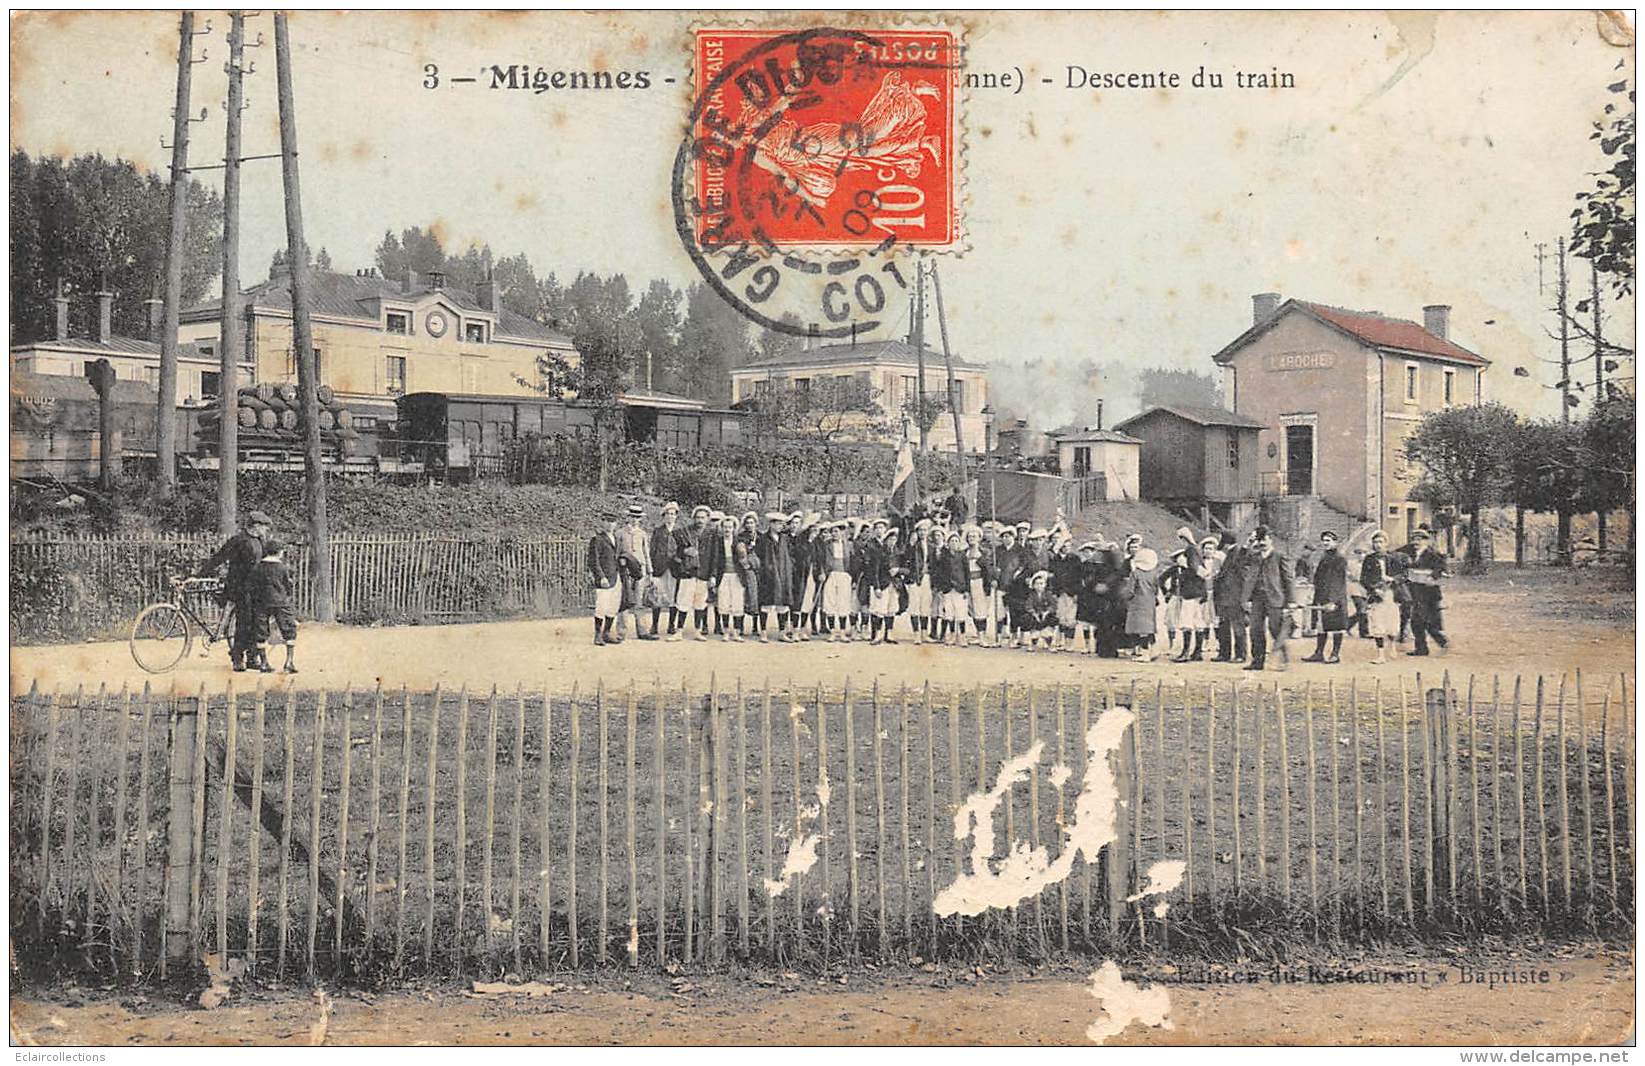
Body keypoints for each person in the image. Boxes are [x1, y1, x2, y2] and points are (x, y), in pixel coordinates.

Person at [197, 509, 273, 671]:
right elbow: (219, 557)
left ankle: (252, 657)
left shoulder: (260, 542)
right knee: (244, 624)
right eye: (264, 526)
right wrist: (199, 575)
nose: (266, 529)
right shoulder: (238, 541)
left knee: (256, 623)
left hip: (256, 590)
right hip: (240, 589)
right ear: (255, 526)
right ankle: (237, 657)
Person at [1242, 525, 1296, 671]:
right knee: (1255, 630)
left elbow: (1288, 579)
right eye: (1260, 540)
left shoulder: (1279, 556)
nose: (1262, 543)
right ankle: (1257, 661)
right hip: (1257, 599)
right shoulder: (1254, 556)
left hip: (1275, 599)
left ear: (1271, 540)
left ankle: (1283, 659)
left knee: (1276, 630)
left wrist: (1291, 601)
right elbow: (1241, 560)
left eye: (1265, 539)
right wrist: (1249, 543)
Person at [248, 534, 298, 674]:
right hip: (280, 602)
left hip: (261, 603)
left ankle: (264, 663)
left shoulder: (258, 567)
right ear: (279, 552)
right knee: (289, 629)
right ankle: (289, 662)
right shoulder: (283, 568)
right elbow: (288, 587)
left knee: (261, 631)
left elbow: (252, 585)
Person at [1302, 529, 1349, 663]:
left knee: (1336, 627)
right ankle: (1319, 653)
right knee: (1321, 625)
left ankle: (1335, 654)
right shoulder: (1324, 557)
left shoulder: (1340, 559)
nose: (1325, 543)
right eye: (1324, 541)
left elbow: (1337, 581)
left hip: (1335, 597)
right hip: (1322, 596)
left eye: (1328, 541)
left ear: (1335, 542)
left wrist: (1333, 600)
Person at [1405, 527, 1451, 656]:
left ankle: (1441, 642)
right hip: (1415, 591)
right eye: (1414, 539)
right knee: (1417, 621)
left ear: (1426, 541)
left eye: (1419, 540)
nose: (1416, 542)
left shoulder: (1433, 554)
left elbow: (1441, 567)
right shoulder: (1409, 553)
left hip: (1430, 593)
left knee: (1425, 620)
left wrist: (1433, 576)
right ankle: (1422, 648)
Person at [1360, 530, 1402, 664]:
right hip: (1377, 596)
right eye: (1375, 542)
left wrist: (1392, 579)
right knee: (1377, 623)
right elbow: (1363, 579)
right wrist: (1374, 589)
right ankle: (1380, 654)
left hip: (1391, 595)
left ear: (1386, 543)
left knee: (1392, 622)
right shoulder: (1369, 559)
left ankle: (1393, 645)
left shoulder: (1394, 558)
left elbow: (1403, 575)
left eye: (1381, 542)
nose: (1378, 545)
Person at [673, 505, 714, 642]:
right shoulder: (684, 532)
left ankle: (697, 631)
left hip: (704, 573)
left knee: (700, 603)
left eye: (703, 517)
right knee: (683, 601)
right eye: (697, 517)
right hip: (688, 572)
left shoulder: (712, 535)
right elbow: (675, 551)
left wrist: (712, 575)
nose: (700, 520)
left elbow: (715, 557)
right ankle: (679, 631)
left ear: (707, 519)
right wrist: (684, 551)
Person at [757, 511, 795, 643]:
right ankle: (763, 632)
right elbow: (759, 557)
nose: (780, 526)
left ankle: (782, 632)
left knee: (783, 605)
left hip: (784, 575)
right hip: (768, 577)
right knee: (766, 605)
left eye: (782, 524)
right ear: (771, 524)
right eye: (778, 523)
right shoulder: (762, 539)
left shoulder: (785, 539)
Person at [617, 504, 653, 639]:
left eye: (637, 517)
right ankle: (621, 632)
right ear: (627, 517)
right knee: (625, 599)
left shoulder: (643, 533)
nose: (634, 520)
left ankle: (642, 631)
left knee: (639, 600)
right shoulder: (620, 533)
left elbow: (646, 552)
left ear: (640, 519)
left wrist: (650, 571)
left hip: (640, 568)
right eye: (632, 517)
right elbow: (617, 552)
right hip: (625, 569)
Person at [1212, 531, 1249, 663]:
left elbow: (1243, 576)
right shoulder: (1233, 553)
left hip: (1233, 596)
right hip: (1226, 596)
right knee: (1225, 625)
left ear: (1226, 543)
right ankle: (1226, 653)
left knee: (1236, 626)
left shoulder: (1237, 554)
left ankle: (1239, 654)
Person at [587, 515, 624, 646]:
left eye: (613, 522)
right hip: (604, 578)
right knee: (601, 606)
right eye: (607, 521)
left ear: (616, 524)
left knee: (613, 606)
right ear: (602, 523)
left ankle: (606, 633)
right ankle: (597, 635)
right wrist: (601, 576)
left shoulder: (617, 539)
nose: (610, 524)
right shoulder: (597, 539)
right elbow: (593, 561)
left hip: (617, 576)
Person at [650, 502, 685, 640]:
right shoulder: (658, 531)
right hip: (660, 568)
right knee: (658, 595)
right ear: (663, 516)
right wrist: (652, 569)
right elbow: (652, 550)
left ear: (676, 516)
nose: (670, 516)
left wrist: (679, 559)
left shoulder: (681, 531)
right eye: (667, 514)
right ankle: (654, 625)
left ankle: (671, 624)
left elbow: (684, 549)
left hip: (675, 568)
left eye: (672, 514)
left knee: (673, 596)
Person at [1122, 545, 1160, 661]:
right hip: (1150, 602)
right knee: (1149, 628)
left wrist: (1125, 598)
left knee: (1140, 629)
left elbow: (1130, 590)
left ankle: (1145, 654)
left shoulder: (1135, 573)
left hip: (1137, 603)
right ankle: (1154, 649)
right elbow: (1156, 589)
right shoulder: (1153, 573)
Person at [820, 521, 855, 641]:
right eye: (832, 531)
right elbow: (821, 560)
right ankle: (833, 632)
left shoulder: (849, 545)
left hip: (844, 575)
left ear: (842, 532)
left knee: (843, 603)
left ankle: (842, 633)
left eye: (836, 531)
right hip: (830, 575)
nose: (834, 534)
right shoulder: (826, 545)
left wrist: (852, 577)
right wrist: (822, 572)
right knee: (830, 603)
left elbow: (853, 562)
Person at [904, 518, 936, 645]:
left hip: (927, 578)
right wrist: (910, 545)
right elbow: (906, 558)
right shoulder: (913, 546)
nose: (923, 533)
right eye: (920, 530)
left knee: (925, 606)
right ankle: (916, 634)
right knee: (914, 606)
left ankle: (924, 633)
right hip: (915, 578)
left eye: (925, 530)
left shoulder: (931, 547)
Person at [1020, 570, 1057, 650]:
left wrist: (1047, 612)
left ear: (1045, 584)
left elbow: (1053, 605)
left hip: (1046, 615)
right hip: (1035, 615)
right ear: (1033, 585)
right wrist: (1034, 613)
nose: (1039, 586)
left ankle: (1049, 644)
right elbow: (1028, 605)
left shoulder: (1048, 594)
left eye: (1041, 584)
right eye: (1037, 584)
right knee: (1029, 620)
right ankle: (1033, 643)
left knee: (1049, 628)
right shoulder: (1031, 595)